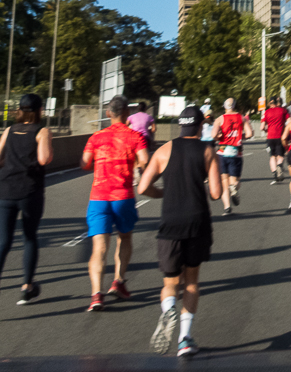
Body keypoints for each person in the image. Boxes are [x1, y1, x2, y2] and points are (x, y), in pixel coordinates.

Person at [138, 106, 220, 358]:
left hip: (170, 222)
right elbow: (216, 194)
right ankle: (185, 338)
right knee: (192, 282)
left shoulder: (163, 150)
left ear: (180, 125)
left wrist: (163, 192)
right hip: (197, 221)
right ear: (199, 126)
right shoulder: (207, 150)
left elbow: (142, 187)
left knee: (170, 282)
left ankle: (169, 307)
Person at [0, 93, 54, 318]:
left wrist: (11, 162)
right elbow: (44, 159)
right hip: (29, 190)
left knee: (3, 240)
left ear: (20, 110)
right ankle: (26, 287)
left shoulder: (10, 130)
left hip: (4, 189)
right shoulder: (42, 131)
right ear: (39, 110)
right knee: (30, 237)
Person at [80, 94, 148, 312]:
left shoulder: (96, 137)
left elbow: (84, 163)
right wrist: (135, 165)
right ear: (127, 113)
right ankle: (118, 281)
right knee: (125, 238)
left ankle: (96, 295)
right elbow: (145, 160)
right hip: (123, 197)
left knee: (99, 247)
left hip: (98, 197)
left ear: (108, 113)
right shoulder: (135, 136)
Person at [211, 98, 251, 215]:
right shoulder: (242, 118)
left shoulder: (220, 119)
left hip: (222, 152)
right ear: (234, 106)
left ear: (225, 106)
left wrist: (219, 137)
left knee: (224, 181)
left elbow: (213, 135)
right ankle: (234, 188)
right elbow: (249, 134)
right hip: (236, 153)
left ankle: (227, 207)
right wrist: (240, 137)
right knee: (234, 181)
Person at [262, 96, 289, 185]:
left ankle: (275, 174)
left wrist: (267, 129)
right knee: (280, 155)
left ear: (270, 103)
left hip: (270, 137)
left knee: (272, 156)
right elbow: (290, 121)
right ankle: (279, 165)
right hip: (280, 137)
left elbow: (262, 127)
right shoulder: (283, 110)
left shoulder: (266, 112)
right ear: (277, 103)